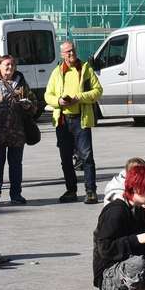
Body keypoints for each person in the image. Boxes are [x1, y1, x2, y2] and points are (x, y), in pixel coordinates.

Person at [93, 165, 145, 290]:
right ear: (135, 189)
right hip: (109, 273)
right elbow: (105, 248)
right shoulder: (115, 212)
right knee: (138, 265)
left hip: (134, 260)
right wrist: (136, 239)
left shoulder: (142, 212)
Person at [44, 40, 103, 204]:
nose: (71, 53)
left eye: (73, 50)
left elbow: (98, 91)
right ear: (62, 54)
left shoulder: (85, 68)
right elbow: (47, 95)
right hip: (63, 120)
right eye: (68, 51)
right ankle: (71, 190)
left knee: (87, 157)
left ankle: (90, 191)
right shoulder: (57, 72)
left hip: (81, 119)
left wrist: (80, 97)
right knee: (65, 158)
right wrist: (58, 101)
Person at [0, 55, 33, 205]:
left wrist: (28, 105)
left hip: (17, 132)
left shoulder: (21, 82)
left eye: (12, 65)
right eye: (7, 64)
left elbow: (33, 103)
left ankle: (16, 194)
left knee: (16, 164)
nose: (10, 67)